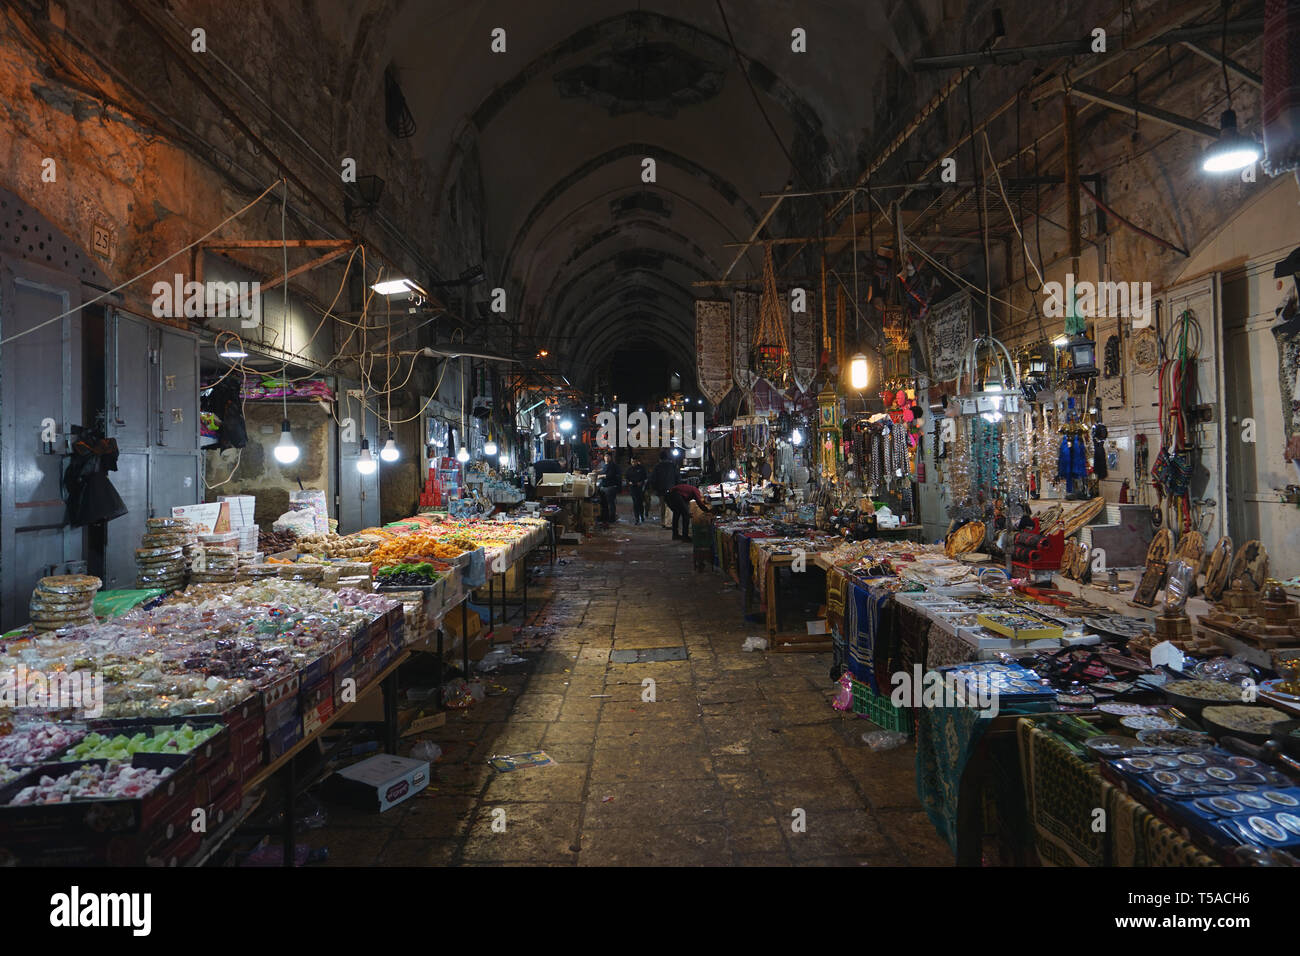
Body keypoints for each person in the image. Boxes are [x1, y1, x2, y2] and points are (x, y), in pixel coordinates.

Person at [650, 450, 679, 530]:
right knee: (669, 506)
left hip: (661, 490)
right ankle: (668, 523)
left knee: (662, 506)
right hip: (671, 489)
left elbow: (653, 479)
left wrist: (655, 489)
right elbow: (677, 477)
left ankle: (663, 522)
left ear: (660, 458)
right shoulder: (673, 465)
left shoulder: (657, 466)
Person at [598, 451, 622, 523]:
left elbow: (610, 475)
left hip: (610, 487)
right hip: (604, 487)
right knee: (604, 503)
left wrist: (600, 476)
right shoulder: (605, 465)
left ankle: (612, 519)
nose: (606, 458)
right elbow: (604, 470)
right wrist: (597, 471)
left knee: (610, 504)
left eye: (608, 456)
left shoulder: (613, 465)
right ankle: (605, 518)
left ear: (611, 457)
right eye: (605, 456)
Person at [625, 454, 649, 524]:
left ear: (637, 461)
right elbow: (626, 478)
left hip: (640, 488)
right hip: (632, 488)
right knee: (635, 502)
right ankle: (637, 518)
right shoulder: (629, 469)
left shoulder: (641, 468)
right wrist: (628, 482)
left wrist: (641, 482)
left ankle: (641, 515)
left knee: (640, 502)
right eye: (632, 462)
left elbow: (645, 477)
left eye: (634, 462)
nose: (633, 463)